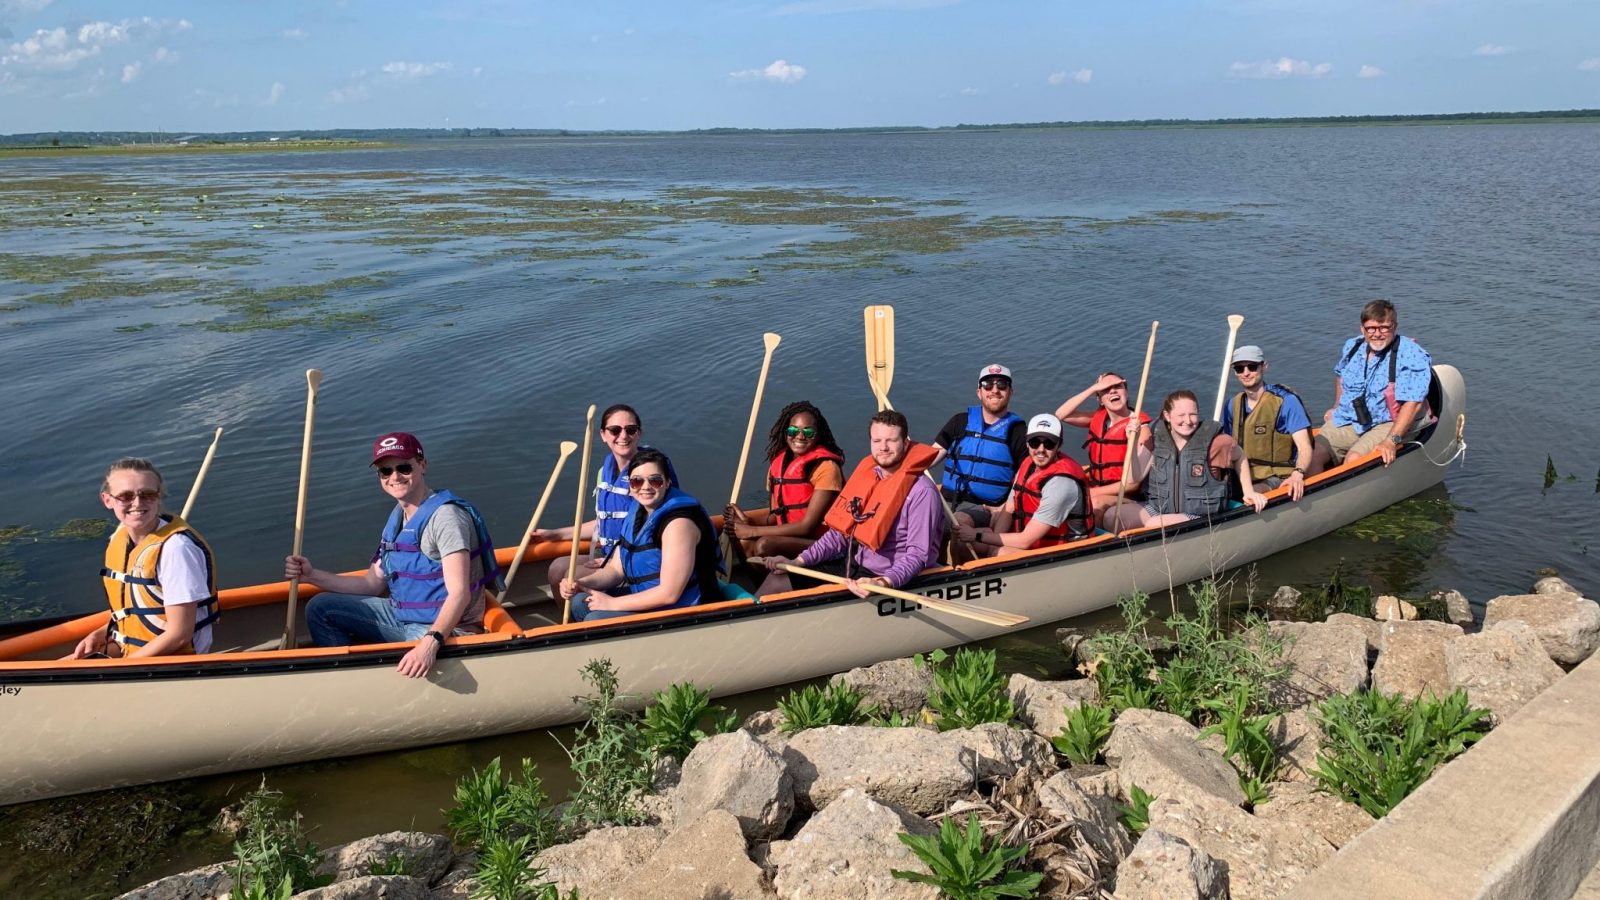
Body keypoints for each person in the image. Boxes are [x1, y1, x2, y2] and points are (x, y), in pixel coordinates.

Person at [285, 432, 501, 678]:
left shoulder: (446, 519)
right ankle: (344, 680)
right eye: (385, 471)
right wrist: (311, 575)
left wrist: (430, 644)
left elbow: (459, 593)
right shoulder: (398, 517)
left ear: (422, 465)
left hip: (447, 629)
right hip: (404, 617)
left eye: (404, 467)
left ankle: (377, 687)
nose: (394, 477)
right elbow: (370, 584)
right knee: (321, 608)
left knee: (417, 646)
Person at [759, 410, 944, 598]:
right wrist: (798, 562)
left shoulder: (922, 492)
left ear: (905, 443)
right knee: (778, 579)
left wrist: (883, 583)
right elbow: (839, 535)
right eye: (877, 441)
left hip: (890, 578)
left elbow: (918, 554)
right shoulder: (869, 477)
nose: (884, 447)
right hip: (856, 564)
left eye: (891, 440)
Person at [70, 458, 219, 659]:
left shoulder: (176, 549)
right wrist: (99, 634)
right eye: (125, 496)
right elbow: (136, 611)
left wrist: (124, 667)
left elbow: (179, 634)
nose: (137, 503)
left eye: (147, 494)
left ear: (159, 497)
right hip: (133, 648)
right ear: (107, 500)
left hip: (174, 660)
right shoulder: (120, 537)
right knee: (58, 668)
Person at [558, 448, 720, 620]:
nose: (645, 487)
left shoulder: (679, 525)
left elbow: (669, 594)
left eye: (655, 480)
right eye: (637, 481)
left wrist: (612, 603)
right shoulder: (637, 511)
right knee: (580, 601)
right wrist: (580, 584)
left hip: (686, 611)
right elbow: (616, 570)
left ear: (667, 482)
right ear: (630, 484)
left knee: (596, 619)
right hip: (652, 603)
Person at [1102, 391, 1268, 532]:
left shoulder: (1216, 442)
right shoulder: (1155, 438)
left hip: (1198, 514)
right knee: (1111, 517)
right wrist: (1133, 443)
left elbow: (1240, 456)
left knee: (1154, 525)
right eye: (1181, 415)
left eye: (1193, 414)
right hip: (1159, 507)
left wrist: (1248, 492)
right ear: (1167, 416)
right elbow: (1133, 478)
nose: (1188, 421)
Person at [534, 404, 656, 590]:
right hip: (610, 554)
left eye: (630, 430)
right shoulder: (605, 473)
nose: (623, 436)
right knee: (556, 569)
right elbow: (605, 522)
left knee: (570, 577)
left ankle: (591, 615)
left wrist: (614, 561)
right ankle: (573, 619)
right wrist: (555, 534)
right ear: (603, 435)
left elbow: (653, 528)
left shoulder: (648, 475)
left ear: (638, 433)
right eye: (615, 430)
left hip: (636, 559)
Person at [1310, 299, 1433, 471]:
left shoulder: (1411, 354)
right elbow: (1340, 375)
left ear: (1394, 326)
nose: (1377, 334)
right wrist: (1336, 407)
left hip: (1389, 422)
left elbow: (1413, 403)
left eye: (1384, 327)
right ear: (1362, 328)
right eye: (1371, 328)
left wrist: (1392, 441)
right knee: (1311, 454)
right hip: (1351, 417)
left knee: (1354, 459)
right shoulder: (1353, 346)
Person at [956, 414, 1092, 558]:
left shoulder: (1061, 484)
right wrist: (993, 539)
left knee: (999, 553)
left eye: (1049, 444)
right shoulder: (1028, 464)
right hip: (1029, 537)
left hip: (1063, 549)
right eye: (1034, 442)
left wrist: (977, 536)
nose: (1041, 449)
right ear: (1027, 443)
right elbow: (1009, 507)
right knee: (963, 541)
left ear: (1059, 446)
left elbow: (1026, 540)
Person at [724, 401, 846, 560]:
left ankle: (788, 583)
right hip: (792, 536)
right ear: (785, 432)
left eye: (808, 432)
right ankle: (767, 584)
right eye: (793, 430)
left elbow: (806, 527)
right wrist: (749, 521)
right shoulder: (779, 463)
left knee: (764, 544)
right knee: (744, 542)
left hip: (822, 542)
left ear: (819, 434)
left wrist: (752, 530)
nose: (800, 437)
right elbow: (778, 515)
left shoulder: (827, 468)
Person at [930, 364, 1027, 528]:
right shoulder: (960, 422)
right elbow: (930, 457)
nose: (994, 390)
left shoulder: (1018, 432)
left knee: (960, 522)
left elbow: (1025, 476)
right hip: (946, 501)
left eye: (1002, 385)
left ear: (1010, 392)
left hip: (987, 508)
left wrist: (1006, 508)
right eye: (987, 384)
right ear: (979, 392)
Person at [1220, 345, 1316, 502]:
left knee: (1243, 495)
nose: (1246, 373)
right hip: (1242, 475)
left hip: (1277, 475)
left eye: (1252, 367)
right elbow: (1225, 446)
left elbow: (1304, 447)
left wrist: (1298, 474)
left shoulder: (1286, 402)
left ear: (1264, 366)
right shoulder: (1231, 405)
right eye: (1239, 368)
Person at [1054, 372, 1154, 517]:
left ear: (1126, 392)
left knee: (1094, 503)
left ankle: (1095, 537)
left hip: (1130, 496)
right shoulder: (1098, 418)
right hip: (1097, 484)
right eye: (1105, 389)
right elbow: (1061, 414)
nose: (1112, 390)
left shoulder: (1141, 430)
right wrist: (1093, 388)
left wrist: (1091, 492)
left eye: (1118, 386)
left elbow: (1133, 484)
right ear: (1100, 399)